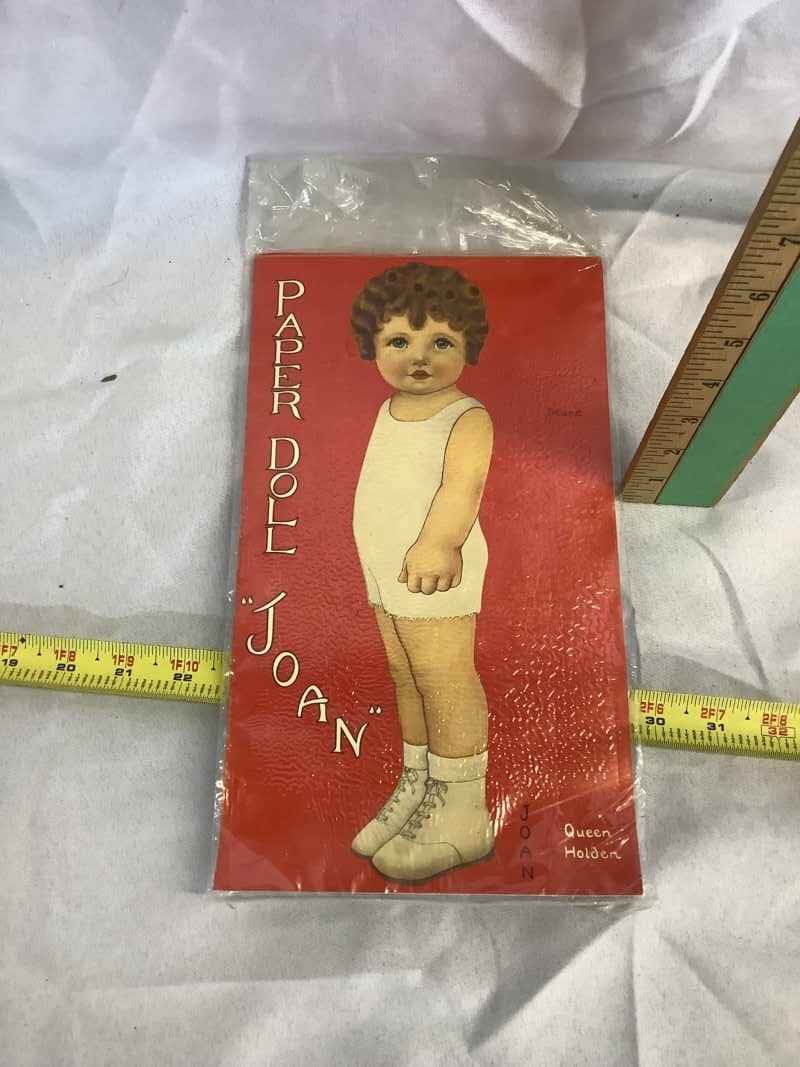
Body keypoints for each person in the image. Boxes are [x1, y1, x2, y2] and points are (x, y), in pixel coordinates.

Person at [350, 261, 495, 881]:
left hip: (434, 565)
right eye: (399, 341)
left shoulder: (466, 416)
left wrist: (438, 543)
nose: (418, 357)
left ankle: (463, 811)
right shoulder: (389, 409)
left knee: (443, 676)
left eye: (440, 341)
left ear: (467, 347)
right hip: (386, 564)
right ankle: (421, 783)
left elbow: (463, 487)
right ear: (374, 346)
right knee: (405, 675)